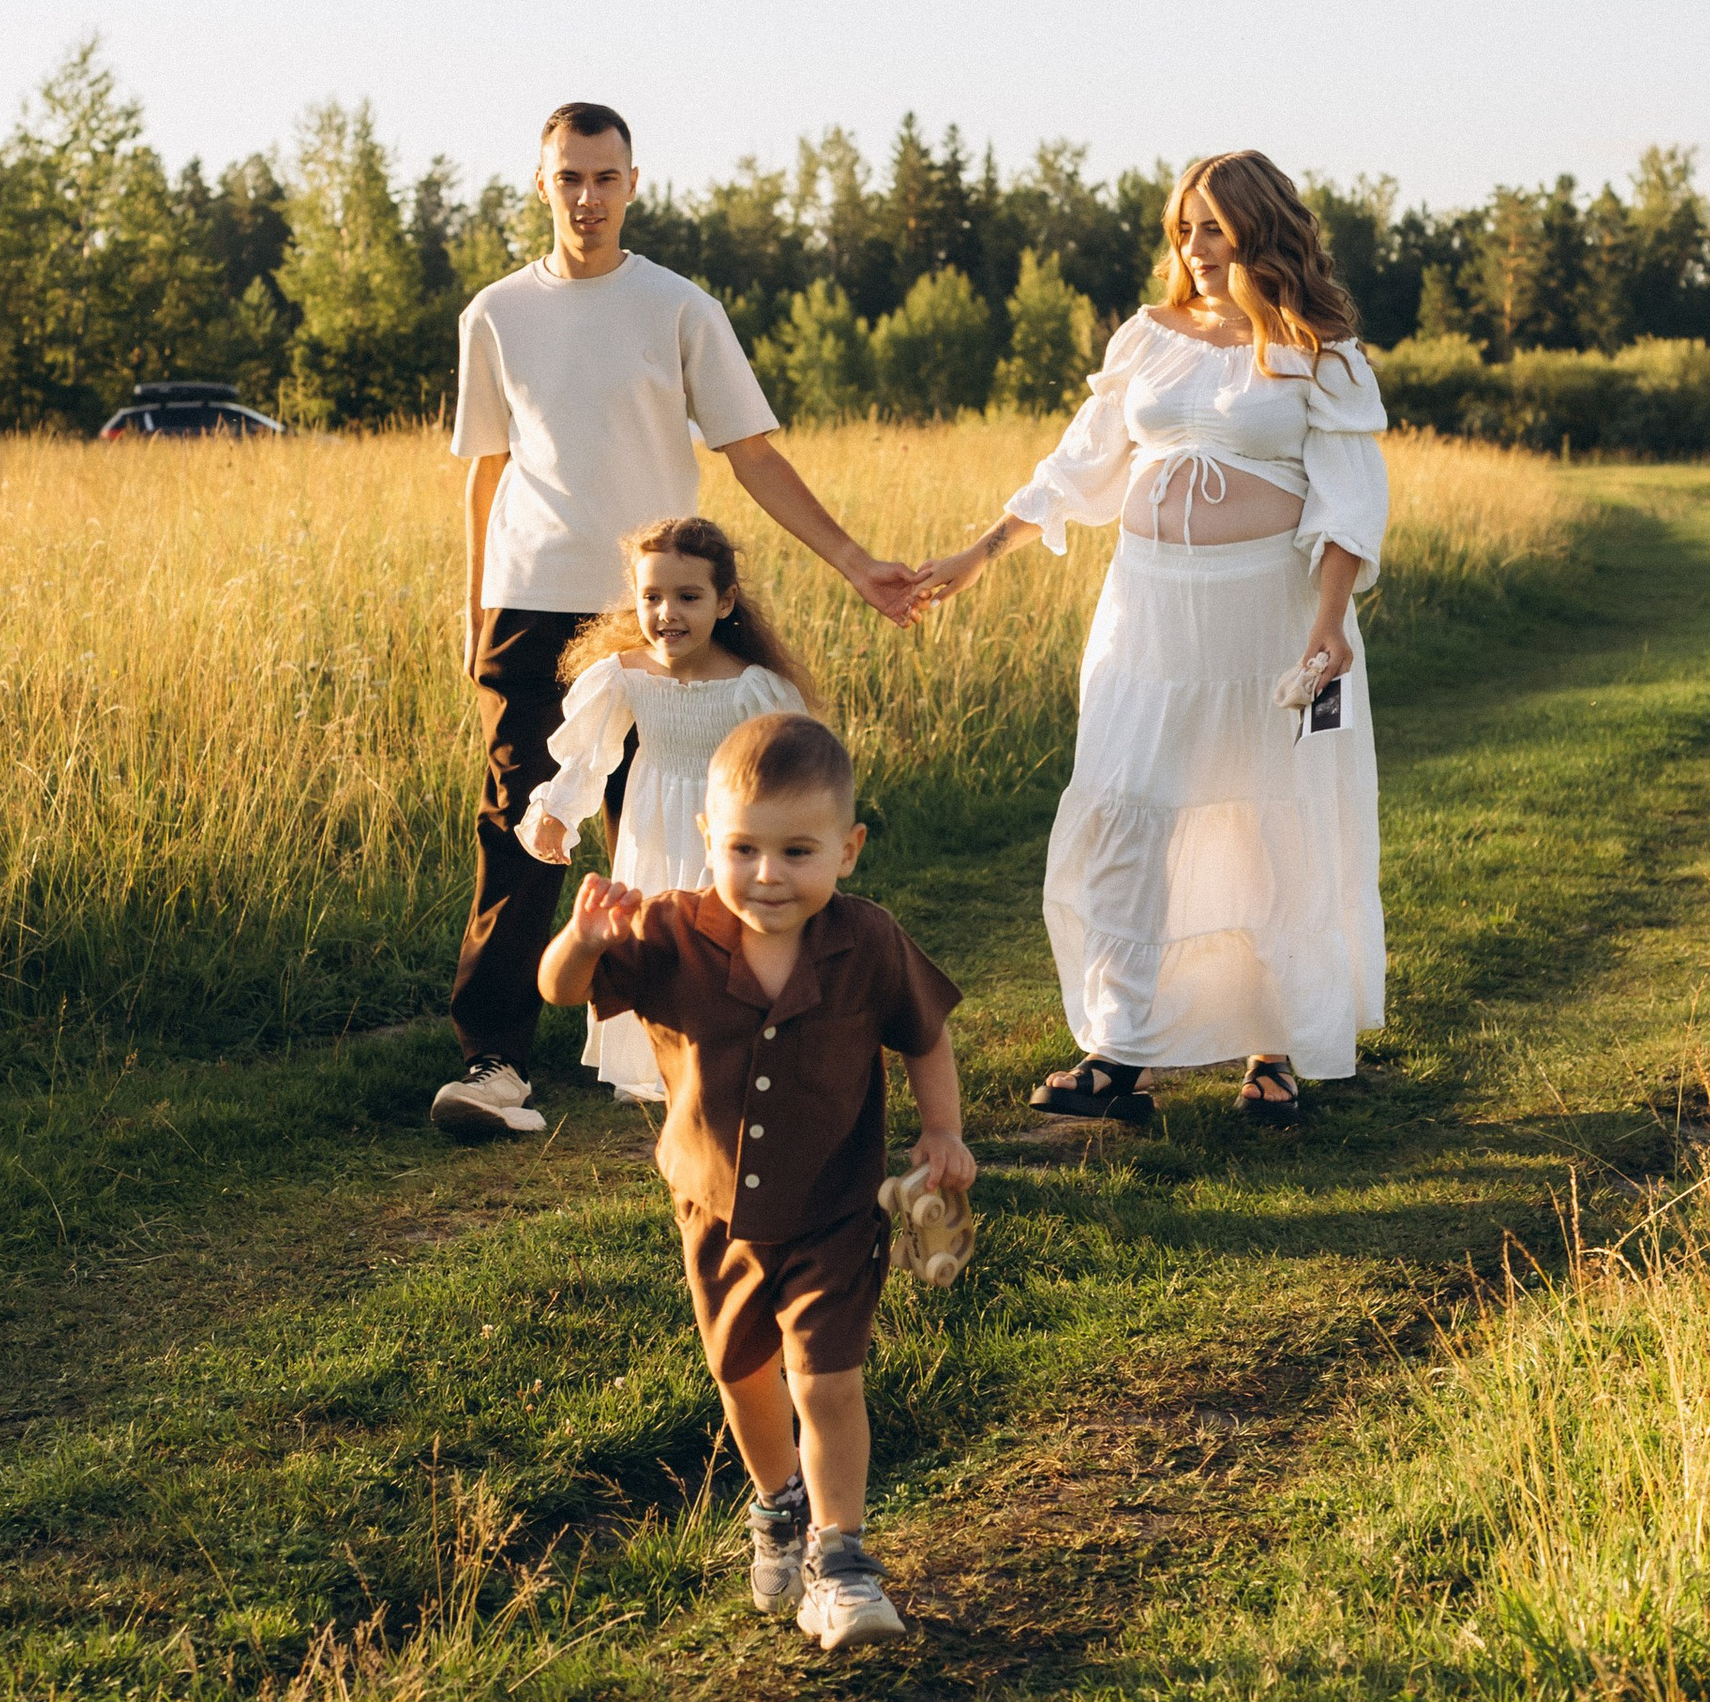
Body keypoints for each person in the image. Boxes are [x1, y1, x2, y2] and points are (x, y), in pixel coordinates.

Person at [435, 101, 922, 1144]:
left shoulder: (679, 308)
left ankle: (706, 1033)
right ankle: (494, 1062)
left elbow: (751, 452)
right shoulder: (495, 315)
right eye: (568, 177)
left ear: (634, 183)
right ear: (540, 184)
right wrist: (473, 607)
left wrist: (853, 564)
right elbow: (484, 474)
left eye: (605, 178)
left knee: (675, 822)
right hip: (529, 601)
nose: (587, 198)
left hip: (655, 610)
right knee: (525, 820)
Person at [915, 149, 1388, 1125]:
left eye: (1213, 226)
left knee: (1267, 819)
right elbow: (1080, 464)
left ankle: (1271, 1048)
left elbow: (1348, 497)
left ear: (1260, 229)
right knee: (1131, 807)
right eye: (1183, 227)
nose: (1195, 246)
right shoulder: (1148, 335)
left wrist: (1330, 626)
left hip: (1265, 616)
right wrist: (979, 551)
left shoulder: (1317, 348)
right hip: (1144, 613)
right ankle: (1118, 1050)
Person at [541, 709, 973, 1650]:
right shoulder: (666, 934)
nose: (768, 874)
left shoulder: (867, 943)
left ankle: (844, 1557)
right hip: (716, 1213)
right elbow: (560, 991)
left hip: (833, 1210)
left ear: (848, 850)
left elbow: (926, 1034)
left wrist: (943, 1129)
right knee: (742, 1374)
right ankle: (777, 1507)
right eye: (743, 849)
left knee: (827, 1380)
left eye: (797, 851)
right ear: (707, 841)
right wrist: (581, 939)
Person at [514, 513, 812, 1105]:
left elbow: (791, 772)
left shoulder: (751, 686)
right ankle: (660, 1063)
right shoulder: (624, 676)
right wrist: (559, 811)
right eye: (651, 596)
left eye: (688, 597)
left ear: (725, 602)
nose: (667, 613)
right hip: (652, 824)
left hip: (727, 828)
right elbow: (589, 756)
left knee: (721, 940)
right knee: (653, 940)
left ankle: (737, 1054)